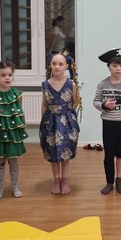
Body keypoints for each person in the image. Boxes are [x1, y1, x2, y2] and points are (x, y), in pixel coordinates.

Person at [93, 48, 121, 195]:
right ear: (109, 66)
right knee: (108, 155)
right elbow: (96, 102)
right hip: (108, 124)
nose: (118, 68)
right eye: (115, 65)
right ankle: (109, 182)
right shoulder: (102, 84)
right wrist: (104, 105)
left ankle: (119, 180)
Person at [0, 61, 28, 199]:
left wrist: (23, 126)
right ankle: (0, 187)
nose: (7, 78)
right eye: (3, 75)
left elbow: (20, 112)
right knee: (0, 161)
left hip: (13, 132)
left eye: (10, 75)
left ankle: (15, 187)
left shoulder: (17, 94)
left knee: (13, 161)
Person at [39, 51, 80, 195]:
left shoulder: (71, 84)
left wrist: (69, 117)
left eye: (60, 64)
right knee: (53, 153)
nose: (57, 66)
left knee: (65, 151)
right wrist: (43, 122)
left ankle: (65, 181)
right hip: (50, 122)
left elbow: (75, 102)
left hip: (67, 122)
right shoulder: (45, 84)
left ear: (66, 66)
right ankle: (56, 180)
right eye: (54, 63)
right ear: (50, 65)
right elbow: (44, 104)